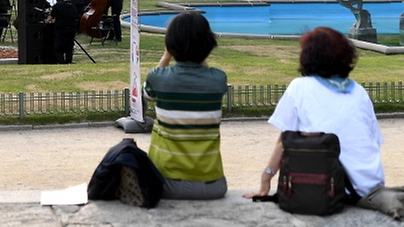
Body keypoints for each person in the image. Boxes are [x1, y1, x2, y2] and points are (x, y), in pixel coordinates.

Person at [243, 27, 384, 202]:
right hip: (370, 187)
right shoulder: (359, 91)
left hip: (330, 189)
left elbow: (284, 141)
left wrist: (266, 178)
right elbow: (373, 141)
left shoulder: (300, 87)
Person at [144, 12, 228, 200]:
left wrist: (167, 55)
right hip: (212, 184)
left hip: (166, 183)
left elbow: (147, 95)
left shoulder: (158, 77)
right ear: (209, 44)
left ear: (170, 44)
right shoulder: (218, 79)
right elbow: (203, 71)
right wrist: (200, 53)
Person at [47, 0, 79, 64]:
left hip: (60, 30)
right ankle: (68, 61)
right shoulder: (74, 8)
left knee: (58, 48)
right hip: (71, 31)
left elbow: (51, 17)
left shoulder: (58, 5)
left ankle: (61, 62)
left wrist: (47, 21)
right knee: (69, 48)